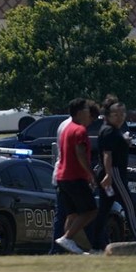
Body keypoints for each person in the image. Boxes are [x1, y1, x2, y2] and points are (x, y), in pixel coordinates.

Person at [93, 96, 136, 249]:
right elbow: (107, 154)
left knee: (104, 209)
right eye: (116, 114)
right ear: (108, 115)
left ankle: (96, 243)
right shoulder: (109, 130)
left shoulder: (113, 130)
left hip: (109, 174)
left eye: (123, 114)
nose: (120, 117)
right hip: (114, 173)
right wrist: (109, 174)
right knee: (129, 206)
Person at [49, 100, 99, 254]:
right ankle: (68, 238)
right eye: (86, 110)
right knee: (90, 211)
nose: (88, 113)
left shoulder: (66, 128)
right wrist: (91, 174)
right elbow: (80, 154)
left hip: (61, 176)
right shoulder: (79, 130)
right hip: (74, 176)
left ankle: (65, 247)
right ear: (78, 113)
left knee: (71, 215)